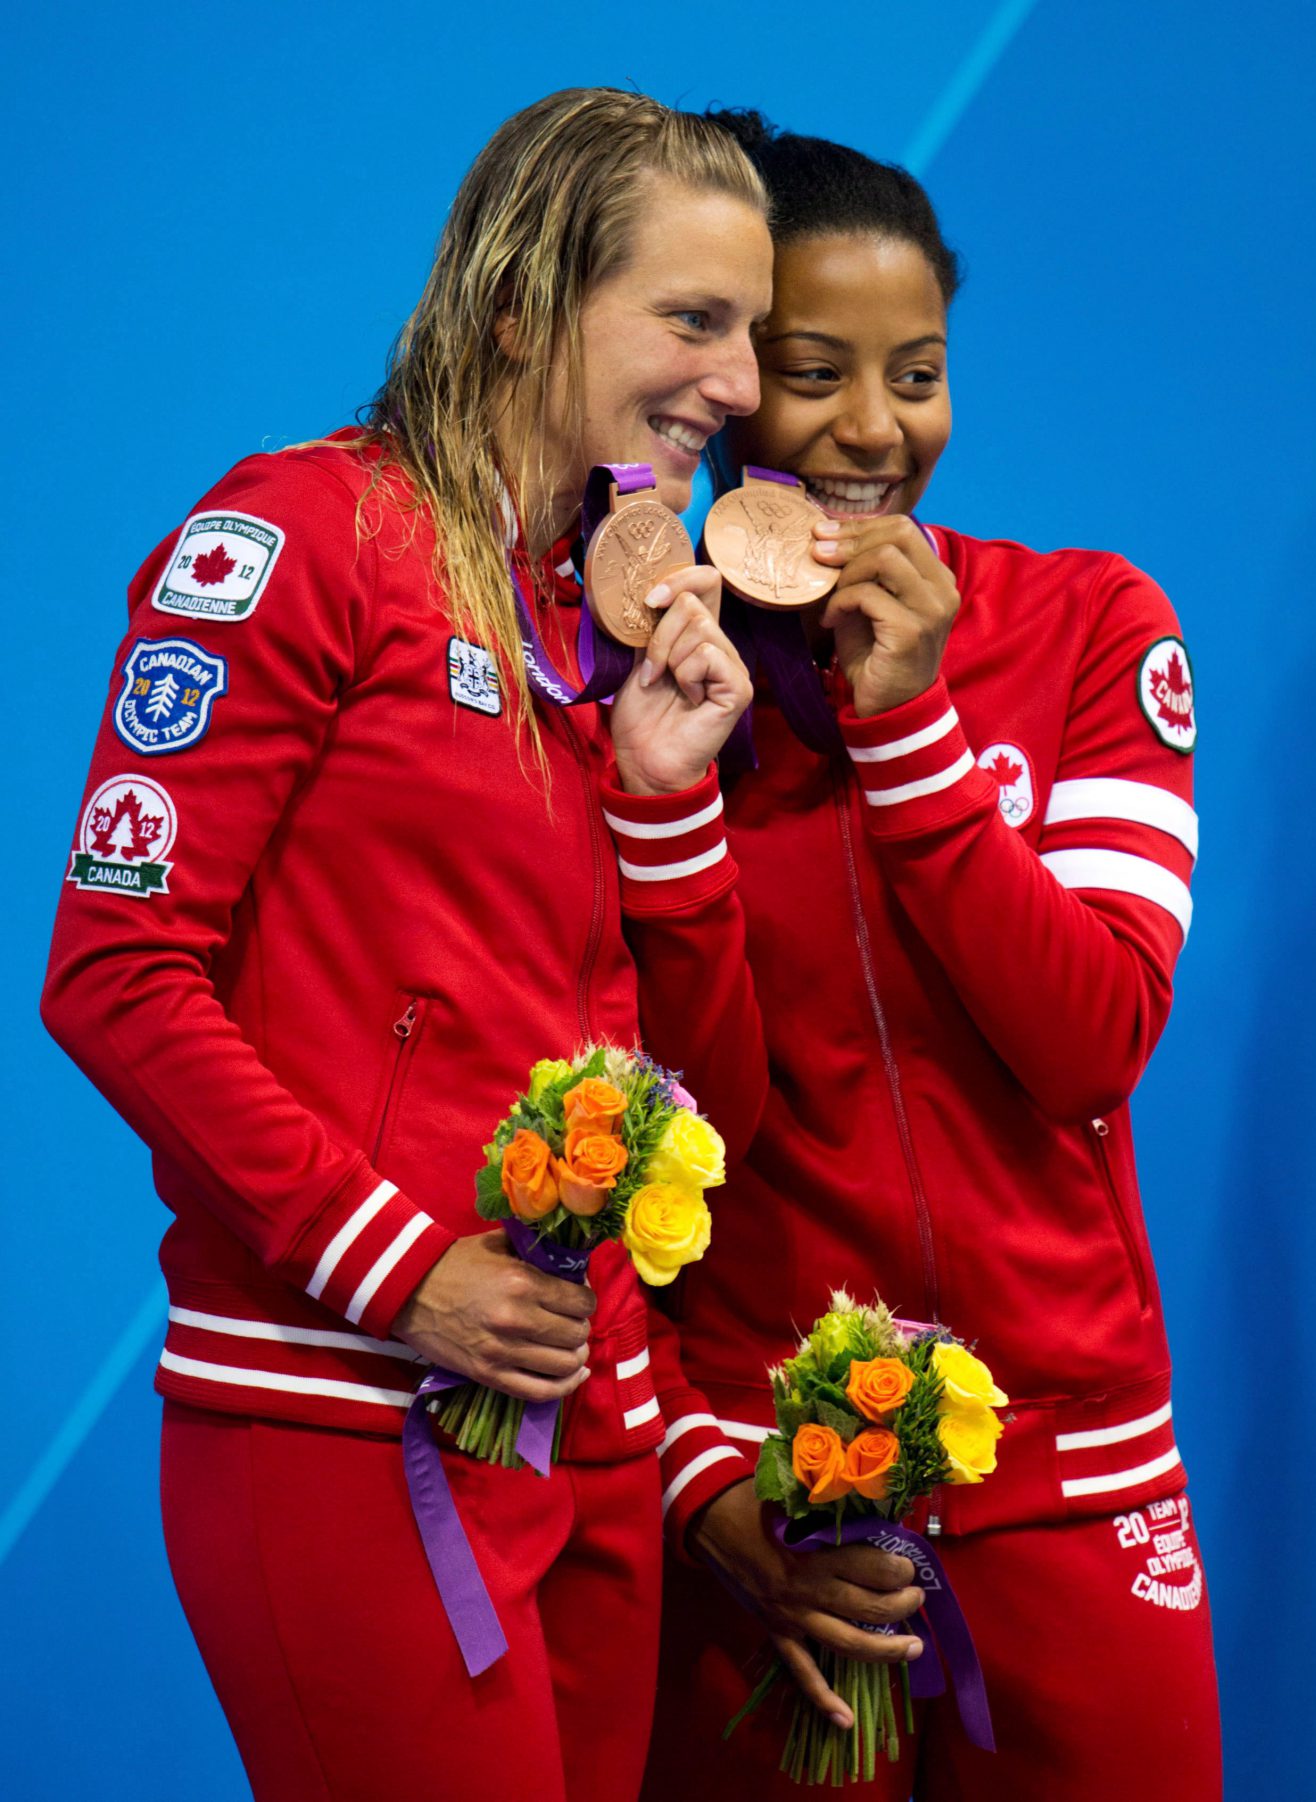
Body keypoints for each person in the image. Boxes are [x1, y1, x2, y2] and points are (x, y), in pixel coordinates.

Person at [41, 89, 792, 1802]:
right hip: (344, 1407)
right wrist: (404, 1271)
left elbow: (715, 1112)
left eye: (749, 332)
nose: (742, 384)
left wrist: (668, 803)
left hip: (586, 1432)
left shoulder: (603, 628)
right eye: (695, 319)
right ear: (522, 305)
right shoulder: (303, 537)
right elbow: (115, 972)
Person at [629, 111, 1221, 1801]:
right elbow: (648, 1116)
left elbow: (1093, 1038)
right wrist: (699, 1473)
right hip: (778, 1507)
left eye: (921, 375)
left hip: (1073, 1480)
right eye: (816, 372)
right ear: (729, 382)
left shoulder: (1091, 626)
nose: (877, 430)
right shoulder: (635, 695)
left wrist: (910, 733)